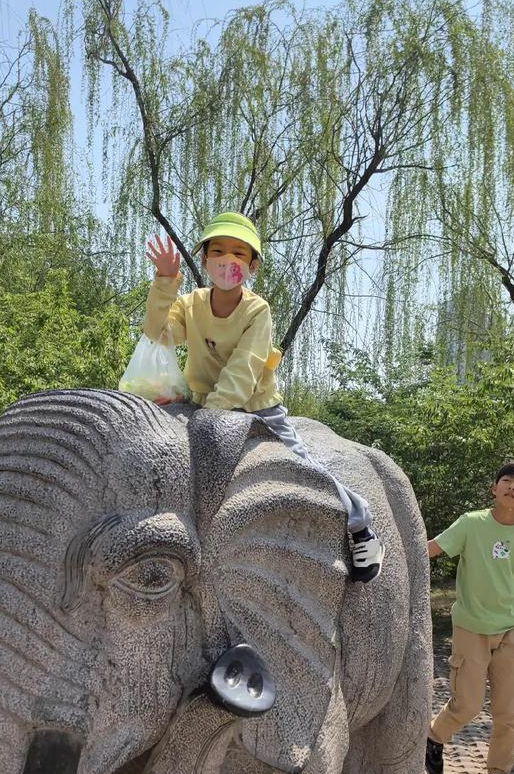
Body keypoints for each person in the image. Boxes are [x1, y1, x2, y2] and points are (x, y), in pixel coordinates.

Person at [141, 211, 385, 583]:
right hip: (202, 403)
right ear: (205, 259)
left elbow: (243, 371)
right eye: (218, 251)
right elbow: (158, 334)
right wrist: (163, 282)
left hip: (256, 407)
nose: (227, 261)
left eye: (239, 254)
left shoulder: (257, 310)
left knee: (302, 466)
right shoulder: (190, 304)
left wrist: (209, 416)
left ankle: (359, 523)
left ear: (253, 265)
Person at [424, 461, 514, 774]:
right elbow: (432, 548)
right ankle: (434, 738)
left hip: (510, 631)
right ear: (494, 488)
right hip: (470, 628)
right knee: (467, 704)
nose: (512, 486)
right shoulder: (471, 523)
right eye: (506, 480)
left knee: (508, 712)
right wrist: (386, 553)